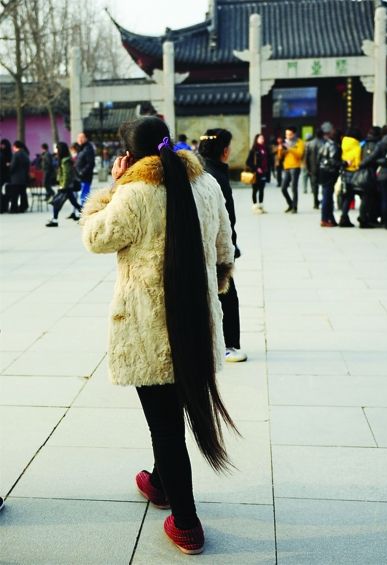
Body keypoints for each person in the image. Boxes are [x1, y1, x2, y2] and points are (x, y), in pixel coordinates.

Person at [80, 117, 238, 555]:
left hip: (150, 329)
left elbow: (95, 237)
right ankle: (160, 479)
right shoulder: (206, 184)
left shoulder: (133, 193)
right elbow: (225, 250)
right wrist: (213, 288)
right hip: (197, 322)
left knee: (166, 425)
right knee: (175, 414)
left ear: (130, 156)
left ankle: (185, 522)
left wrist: (110, 188)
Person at [199, 128, 247, 363]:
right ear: (225, 151)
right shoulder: (215, 175)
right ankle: (229, 344)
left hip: (207, 244)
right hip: (217, 246)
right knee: (226, 293)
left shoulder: (202, 171)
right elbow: (226, 219)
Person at [359, 123, 387, 230]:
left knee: (385, 199)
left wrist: (362, 164)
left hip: (383, 175)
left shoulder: (381, 144)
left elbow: (372, 157)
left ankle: (386, 223)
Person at [46, 142, 82, 227]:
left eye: (57, 149)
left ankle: (54, 220)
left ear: (61, 150)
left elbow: (66, 174)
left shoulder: (65, 161)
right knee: (74, 203)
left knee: (56, 202)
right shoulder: (65, 159)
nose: (56, 151)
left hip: (65, 187)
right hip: (67, 187)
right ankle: (88, 216)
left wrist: (63, 185)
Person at [317, 122, 342, 227]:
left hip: (323, 172)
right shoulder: (334, 146)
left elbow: (319, 158)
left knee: (327, 196)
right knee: (327, 197)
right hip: (329, 173)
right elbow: (333, 161)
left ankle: (330, 219)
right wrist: (344, 163)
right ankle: (324, 219)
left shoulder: (325, 143)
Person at [357, 126, 382, 228]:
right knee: (368, 197)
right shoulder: (377, 144)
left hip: (362, 173)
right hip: (371, 173)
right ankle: (364, 219)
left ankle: (366, 217)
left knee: (366, 197)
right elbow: (372, 158)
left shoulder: (363, 143)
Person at [339, 128, 362, 227]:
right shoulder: (356, 145)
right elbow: (358, 161)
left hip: (345, 173)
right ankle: (362, 217)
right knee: (363, 196)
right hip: (355, 173)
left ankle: (344, 216)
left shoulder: (343, 143)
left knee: (347, 197)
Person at [281, 127, 305, 213]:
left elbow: (300, 154)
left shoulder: (300, 142)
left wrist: (290, 148)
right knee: (283, 188)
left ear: (294, 134)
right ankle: (290, 204)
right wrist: (281, 150)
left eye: (289, 134)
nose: (287, 136)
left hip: (295, 167)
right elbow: (281, 156)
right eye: (286, 134)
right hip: (287, 167)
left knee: (294, 188)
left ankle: (295, 207)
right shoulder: (285, 143)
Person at [246, 133, 269, 214]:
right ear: (256, 139)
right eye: (260, 138)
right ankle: (255, 206)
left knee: (262, 190)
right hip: (256, 174)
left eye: (263, 138)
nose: (262, 139)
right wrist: (256, 168)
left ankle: (261, 206)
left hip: (263, 173)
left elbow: (268, 160)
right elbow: (248, 162)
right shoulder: (254, 150)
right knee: (255, 190)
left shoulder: (265, 149)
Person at [7, 140, 30, 213]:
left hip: (16, 178)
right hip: (23, 177)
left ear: (15, 146)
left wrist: (9, 166)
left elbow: (13, 166)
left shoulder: (16, 155)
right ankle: (24, 206)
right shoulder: (25, 154)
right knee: (23, 193)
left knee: (15, 194)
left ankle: (14, 208)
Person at [305, 129, 324, 209]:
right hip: (322, 168)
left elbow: (306, 157)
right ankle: (323, 201)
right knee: (324, 186)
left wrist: (308, 168)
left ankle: (315, 203)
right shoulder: (324, 143)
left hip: (313, 168)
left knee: (314, 186)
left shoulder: (310, 144)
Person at [75, 132, 95, 205]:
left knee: (84, 196)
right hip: (79, 177)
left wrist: (82, 172)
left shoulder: (88, 148)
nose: (79, 139)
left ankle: (84, 214)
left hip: (85, 177)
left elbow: (90, 163)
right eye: (78, 138)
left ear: (86, 138)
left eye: (82, 137)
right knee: (81, 196)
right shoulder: (81, 148)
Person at [0, 138, 12, 212]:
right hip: (7, 177)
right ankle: (4, 207)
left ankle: (2, 207)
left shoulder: (2, 153)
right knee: (5, 193)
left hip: (3, 176)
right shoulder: (9, 153)